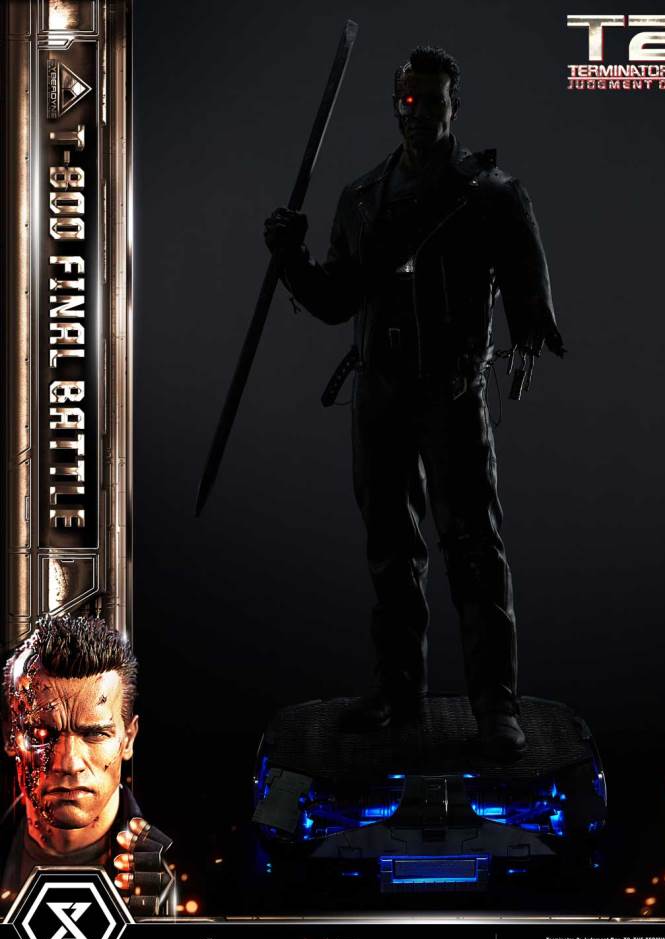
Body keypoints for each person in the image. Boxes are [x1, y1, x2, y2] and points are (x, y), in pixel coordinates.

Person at [264, 45, 565, 758]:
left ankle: (495, 705)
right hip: (380, 391)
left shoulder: (488, 193)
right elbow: (336, 300)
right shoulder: (361, 198)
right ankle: (397, 693)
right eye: (408, 100)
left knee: (474, 549)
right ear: (394, 105)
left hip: (452, 392)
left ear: (453, 106)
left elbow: (528, 287)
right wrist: (291, 258)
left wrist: (527, 329)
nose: (420, 112)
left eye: (432, 101)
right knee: (390, 551)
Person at [0, 614, 174, 916]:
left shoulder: (186, 872)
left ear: (128, 739)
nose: (69, 763)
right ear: (10, 737)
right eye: (42, 734)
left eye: (94, 734)